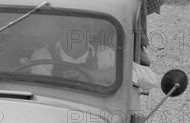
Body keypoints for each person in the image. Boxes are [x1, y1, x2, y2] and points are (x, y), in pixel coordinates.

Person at [29, 32, 157, 91]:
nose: (76, 33)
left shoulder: (103, 54)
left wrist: (93, 75)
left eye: (83, 27)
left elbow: (150, 79)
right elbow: (39, 93)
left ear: (91, 32)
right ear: (62, 30)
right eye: (71, 27)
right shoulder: (43, 55)